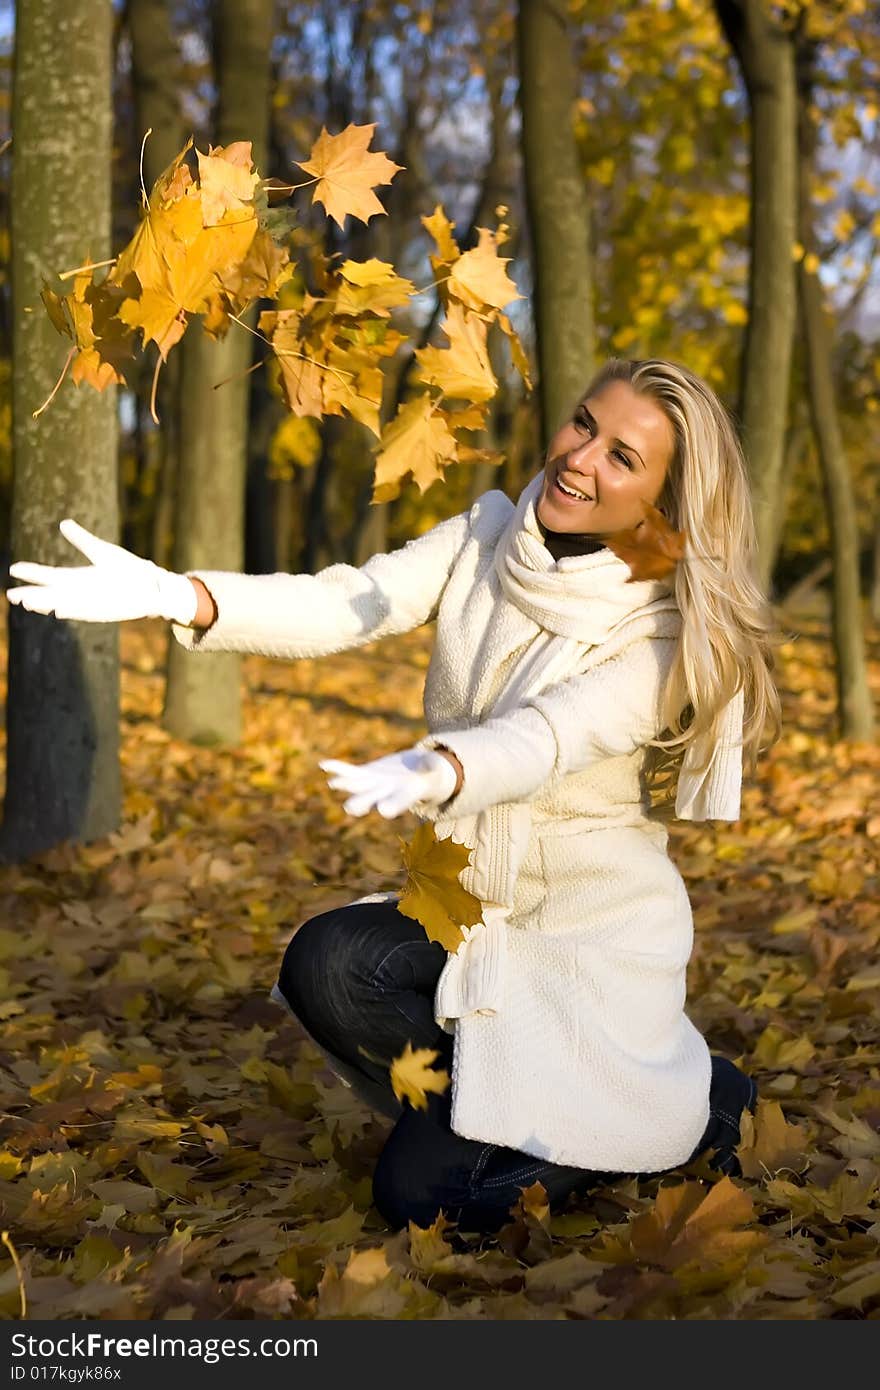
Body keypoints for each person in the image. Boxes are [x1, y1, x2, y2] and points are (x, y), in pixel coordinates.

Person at [7, 357, 785, 1237]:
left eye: (623, 458)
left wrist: (445, 768)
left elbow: (551, 735)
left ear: (663, 501)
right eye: (582, 425)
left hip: (583, 939)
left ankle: (688, 1111)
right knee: (329, 963)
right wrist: (179, 596)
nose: (580, 459)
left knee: (422, 1203)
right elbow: (352, 602)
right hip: (477, 910)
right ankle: (511, 1108)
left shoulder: (661, 633)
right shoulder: (489, 536)